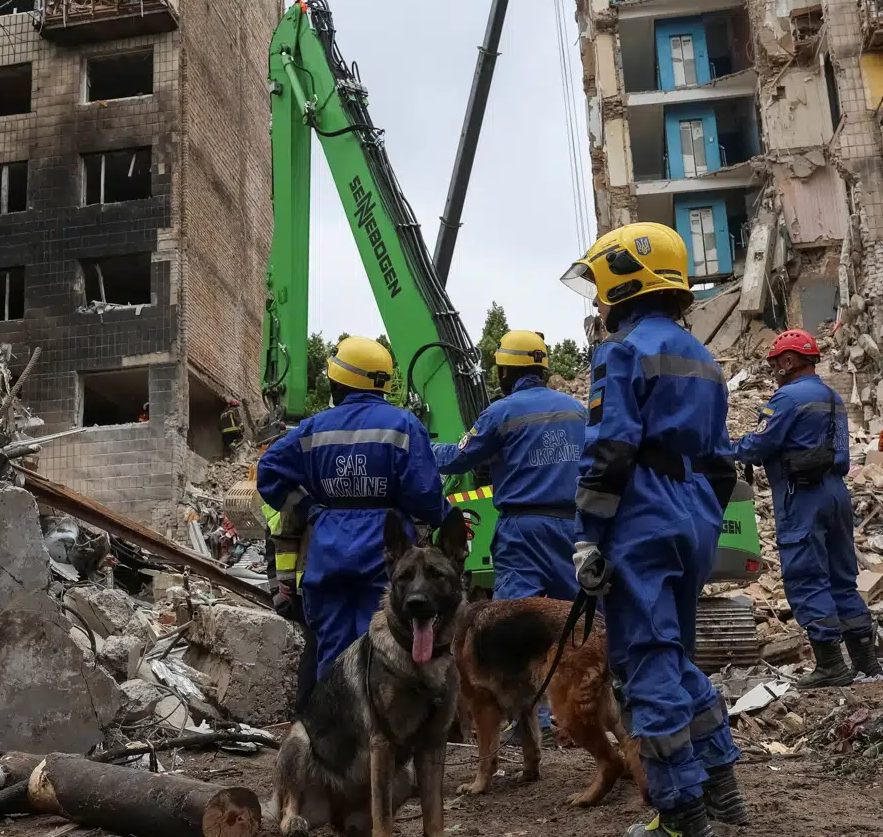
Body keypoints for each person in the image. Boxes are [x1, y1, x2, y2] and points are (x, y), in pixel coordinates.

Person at [560, 222, 748, 837]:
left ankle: (682, 816)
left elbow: (610, 449)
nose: (598, 301)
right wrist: (695, 518)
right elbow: (723, 465)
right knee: (675, 659)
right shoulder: (705, 361)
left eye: (601, 286)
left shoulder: (621, 352)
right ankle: (723, 795)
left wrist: (589, 535)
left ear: (624, 281)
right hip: (693, 511)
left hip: (640, 513)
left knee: (647, 665)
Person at [256, 336, 447, 676]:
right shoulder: (403, 425)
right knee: (384, 655)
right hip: (384, 552)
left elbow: (268, 472)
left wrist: (308, 509)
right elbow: (427, 499)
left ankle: (334, 726)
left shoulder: (312, 429)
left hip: (328, 552)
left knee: (332, 658)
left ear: (339, 380)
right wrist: (439, 517)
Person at [432, 329, 583, 742]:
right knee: (572, 622)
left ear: (506, 370)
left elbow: (461, 456)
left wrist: (420, 449)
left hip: (523, 528)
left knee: (512, 623)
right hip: (573, 526)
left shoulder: (502, 412)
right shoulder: (577, 411)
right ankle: (575, 714)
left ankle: (531, 723)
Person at [734, 330, 881, 684]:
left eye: (775, 363)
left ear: (788, 361)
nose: (773, 370)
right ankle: (866, 662)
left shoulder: (786, 399)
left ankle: (831, 665)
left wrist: (727, 448)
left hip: (802, 498)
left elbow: (758, 446)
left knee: (807, 577)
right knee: (842, 579)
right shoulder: (833, 397)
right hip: (836, 493)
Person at [263, 500, 319, 712]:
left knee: (315, 647)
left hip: (300, 582)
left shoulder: (285, 497)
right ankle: (306, 714)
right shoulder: (296, 498)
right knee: (316, 648)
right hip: (305, 584)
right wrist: (283, 588)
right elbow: (279, 542)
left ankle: (305, 713)